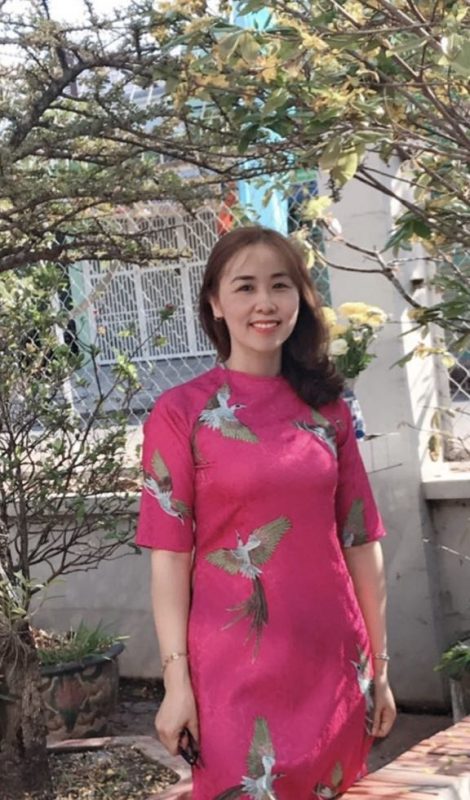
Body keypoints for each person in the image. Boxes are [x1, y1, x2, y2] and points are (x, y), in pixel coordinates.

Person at [136, 226, 396, 799]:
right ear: (215, 302)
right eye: (246, 287)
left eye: (280, 286)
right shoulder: (180, 414)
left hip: (331, 661)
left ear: (300, 298)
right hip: (230, 668)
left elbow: (360, 540)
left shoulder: (328, 410)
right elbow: (170, 557)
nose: (265, 303)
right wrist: (176, 681)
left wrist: (380, 666)